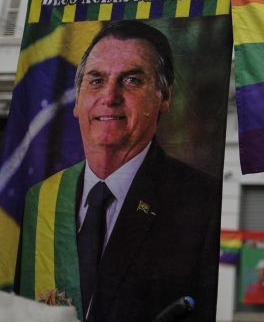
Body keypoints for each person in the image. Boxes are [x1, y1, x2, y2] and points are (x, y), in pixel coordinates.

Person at [15, 20, 221, 322]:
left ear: (164, 97)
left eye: (132, 81)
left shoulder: (204, 204)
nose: (109, 96)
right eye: (96, 81)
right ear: (77, 100)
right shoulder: (41, 198)